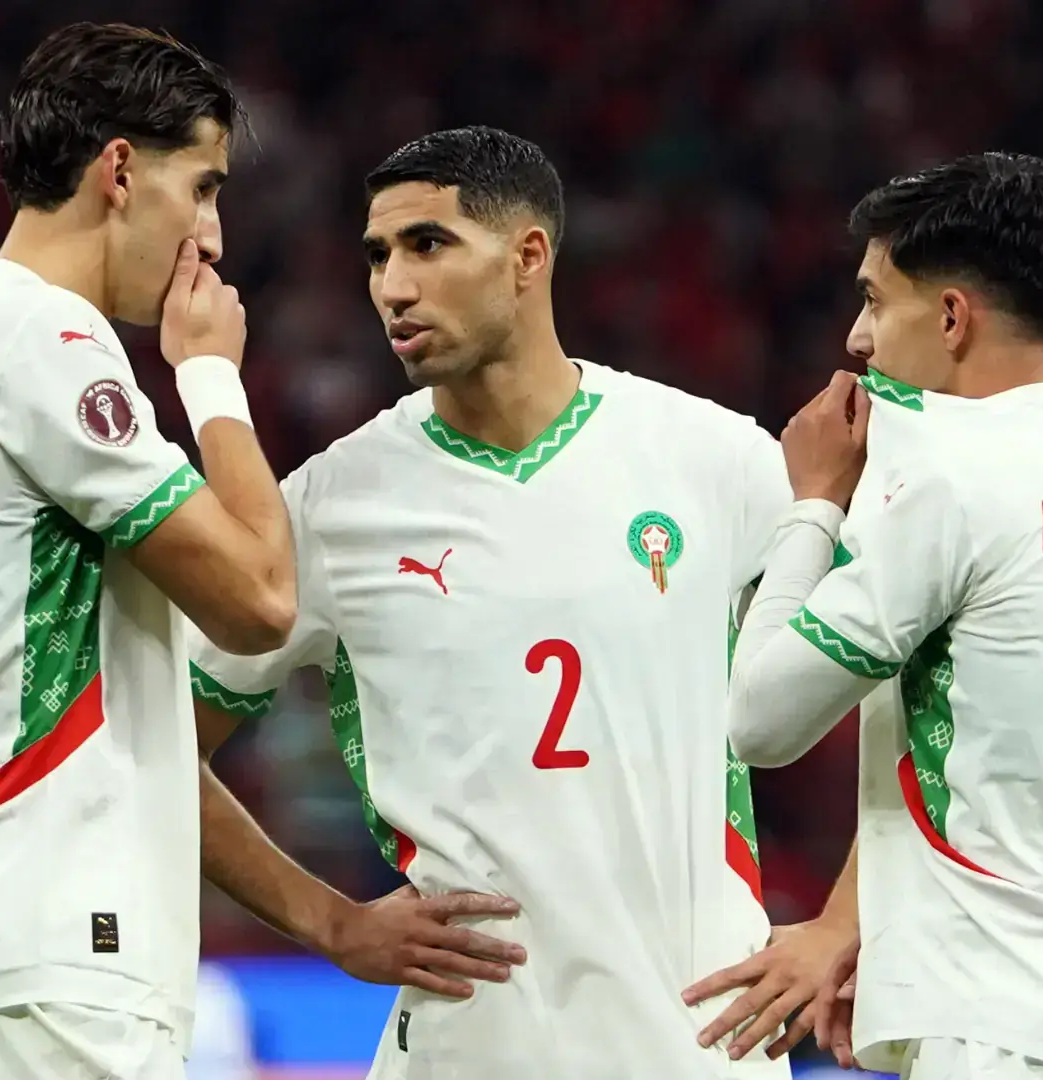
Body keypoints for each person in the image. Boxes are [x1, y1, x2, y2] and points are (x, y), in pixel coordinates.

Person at [0, 24, 521, 1080]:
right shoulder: (45, 344)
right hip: (48, 968)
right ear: (120, 170)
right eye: (204, 187)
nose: (212, 236)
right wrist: (210, 376)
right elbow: (263, 601)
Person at [188, 125, 795, 1080]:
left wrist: (843, 921)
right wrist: (331, 922)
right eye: (378, 256)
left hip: (697, 1042)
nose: (392, 285)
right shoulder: (334, 505)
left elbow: (906, 664)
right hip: (469, 1045)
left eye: (428, 245)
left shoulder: (717, 461)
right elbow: (156, 740)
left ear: (527, 256)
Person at [683, 153, 1043, 1080]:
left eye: (875, 303)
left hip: (1001, 1038)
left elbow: (759, 722)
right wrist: (897, 916)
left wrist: (814, 502)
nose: (858, 340)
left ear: (949, 318)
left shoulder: (946, 486)